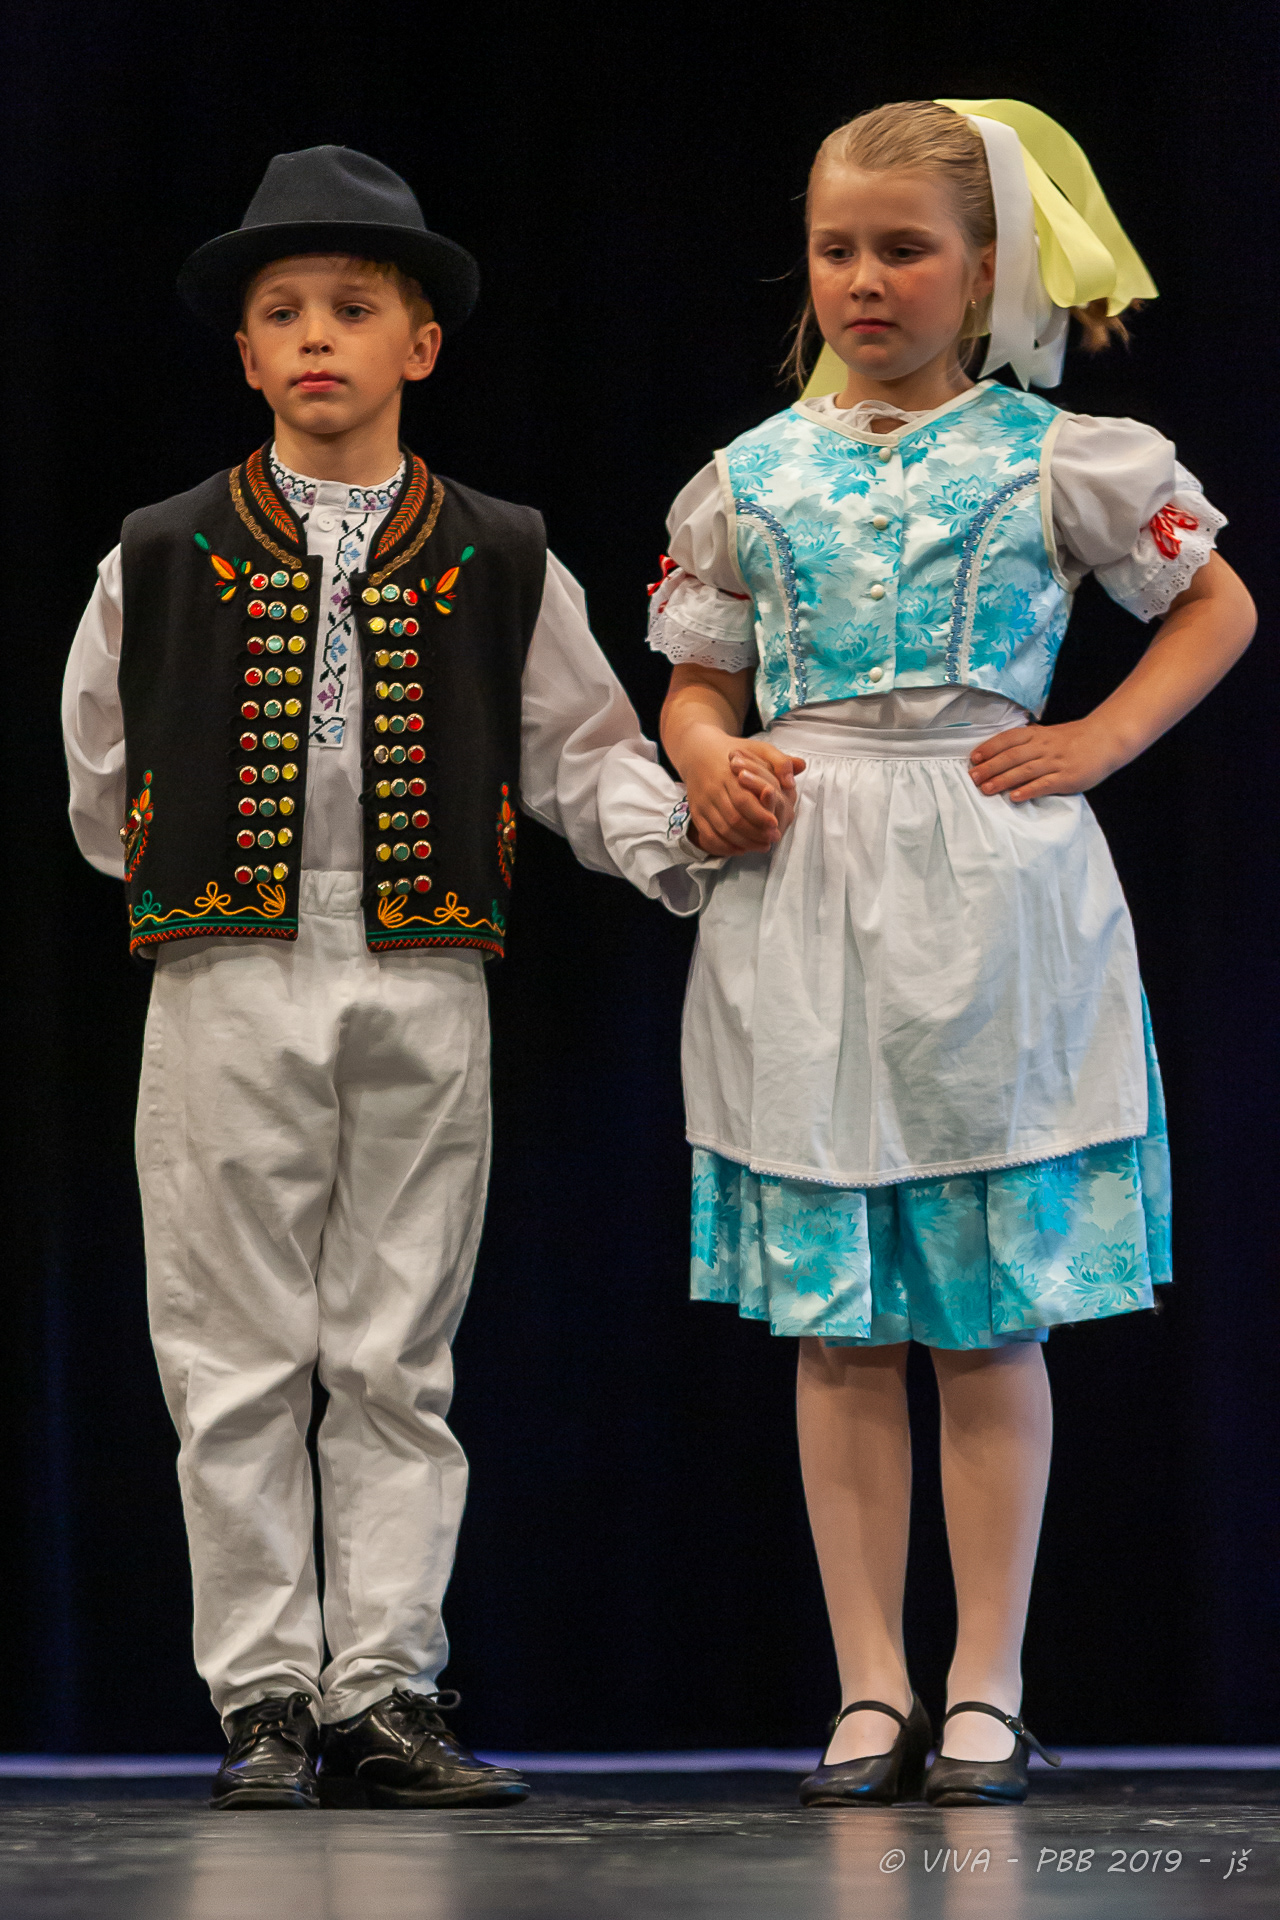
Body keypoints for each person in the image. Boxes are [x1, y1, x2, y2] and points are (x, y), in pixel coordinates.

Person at [61, 144, 782, 1811]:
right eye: (284, 312)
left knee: (395, 1347)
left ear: (421, 344)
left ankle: (382, 1686)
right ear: (246, 356)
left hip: (425, 964)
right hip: (228, 968)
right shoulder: (158, 549)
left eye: (353, 306)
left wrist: (682, 836)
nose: (318, 336)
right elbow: (102, 776)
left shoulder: (500, 550)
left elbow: (583, 748)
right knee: (232, 1349)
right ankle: (261, 1695)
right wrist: (201, 879)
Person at [644, 98, 1255, 1806]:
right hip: (808, 873)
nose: (864, 280)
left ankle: (986, 1682)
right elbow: (697, 676)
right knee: (841, 1321)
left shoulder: (1057, 456)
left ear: (983, 271)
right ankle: (869, 1686)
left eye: (903, 249)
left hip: (986, 878)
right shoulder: (753, 475)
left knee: (985, 1312)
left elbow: (1214, 600)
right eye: (837, 249)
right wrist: (709, 757)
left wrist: (1101, 738)